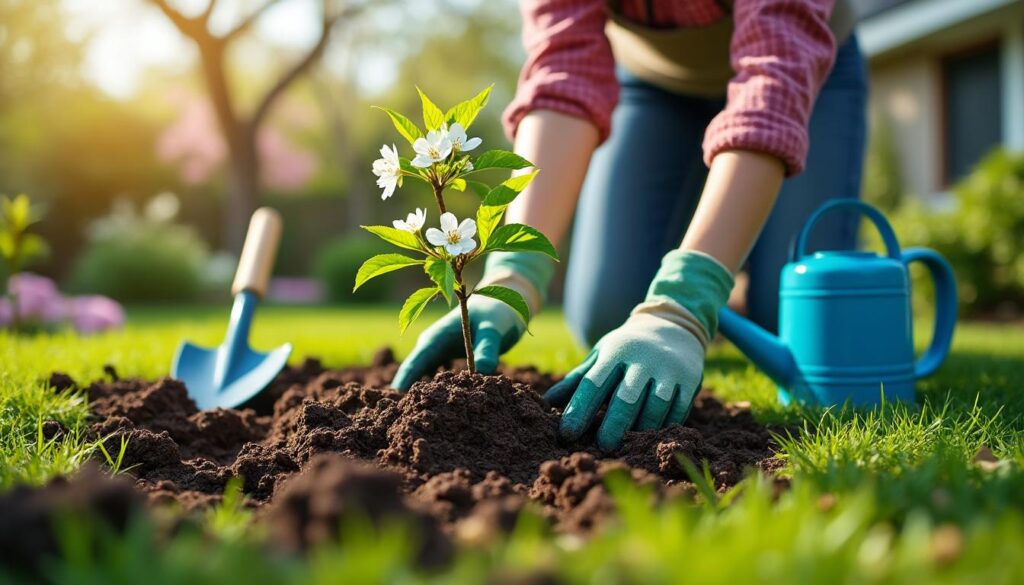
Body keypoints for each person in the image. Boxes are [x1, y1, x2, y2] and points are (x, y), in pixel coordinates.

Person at [393, 0, 867, 451]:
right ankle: (727, 272)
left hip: (803, 76)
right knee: (608, 312)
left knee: (792, 316)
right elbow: (563, 72)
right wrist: (514, 273)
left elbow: (771, 86)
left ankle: (728, 284)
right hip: (654, 87)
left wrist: (684, 304)